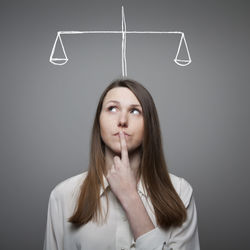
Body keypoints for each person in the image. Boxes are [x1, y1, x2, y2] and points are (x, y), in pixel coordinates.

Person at [43, 78, 200, 250]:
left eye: (134, 111)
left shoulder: (179, 192)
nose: (122, 120)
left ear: (149, 125)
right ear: (99, 122)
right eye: (112, 108)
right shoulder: (63, 195)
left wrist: (131, 198)